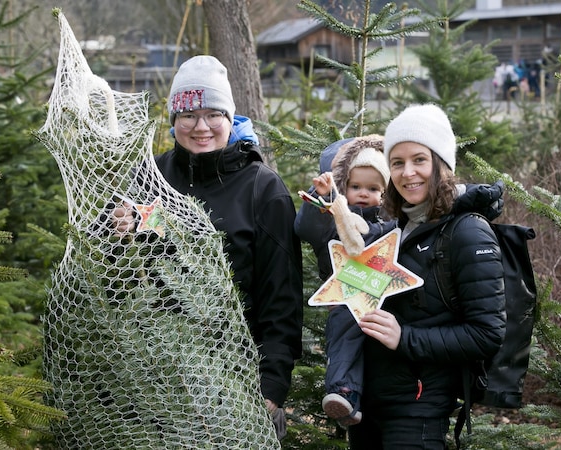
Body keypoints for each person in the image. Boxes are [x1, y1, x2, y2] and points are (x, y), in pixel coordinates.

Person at [113, 55, 303, 439]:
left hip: (235, 380)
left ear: (229, 118)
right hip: (154, 379)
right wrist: (117, 230)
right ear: (173, 120)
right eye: (188, 115)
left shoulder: (262, 189)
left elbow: (281, 297)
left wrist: (270, 389)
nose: (201, 127)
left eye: (213, 114)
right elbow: (115, 274)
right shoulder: (150, 176)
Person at [349, 104, 507, 449]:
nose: (408, 173)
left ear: (442, 164)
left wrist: (404, 338)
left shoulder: (468, 233)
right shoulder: (394, 230)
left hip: (418, 409)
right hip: (369, 405)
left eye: (419, 160)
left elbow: (487, 334)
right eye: (397, 162)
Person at [294, 135, 396, 428]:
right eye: (355, 187)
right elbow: (306, 227)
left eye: (373, 188)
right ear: (344, 187)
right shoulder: (332, 219)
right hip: (345, 297)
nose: (363, 194)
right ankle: (344, 394)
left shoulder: (390, 223)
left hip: (386, 297)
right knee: (343, 334)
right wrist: (323, 195)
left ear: (386, 193)